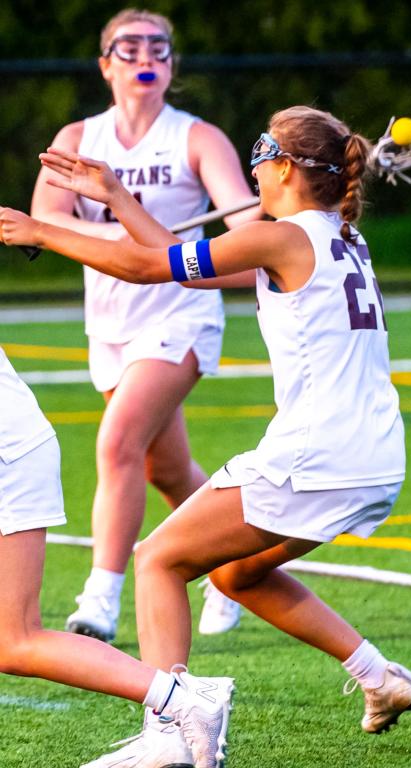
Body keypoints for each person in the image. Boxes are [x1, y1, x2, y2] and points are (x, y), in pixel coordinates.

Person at [0, 103, 411, 763]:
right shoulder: (332, 238)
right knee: (233, 576)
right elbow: (171, 256)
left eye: (262, 148)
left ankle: (168, 735)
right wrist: (115, 194)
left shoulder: (279, 238)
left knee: (159, 560)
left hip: (316, 453)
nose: (253, 162)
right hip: (371, 456)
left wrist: (42, 230)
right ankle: (379, 676)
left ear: (285, 167)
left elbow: (146, 269)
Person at [29, 7, 252, 643]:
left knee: (116, 440)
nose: (146, 55)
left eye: (159, 46)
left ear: (171, 64)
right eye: (129, 47)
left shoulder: (199, 138)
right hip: (109, 320)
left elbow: (243, 228)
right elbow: (47, 217)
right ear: (106, 65)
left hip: (179, 312)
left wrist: (268, 231)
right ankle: (229, 566)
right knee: (166, 470)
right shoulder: (77, 140)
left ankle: (101, 596)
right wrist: (118, 234)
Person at [0, 339, 232, 768]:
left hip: (8, 456)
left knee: (15, 641)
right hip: (15, 447)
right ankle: (178, 708)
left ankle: (181, 701)